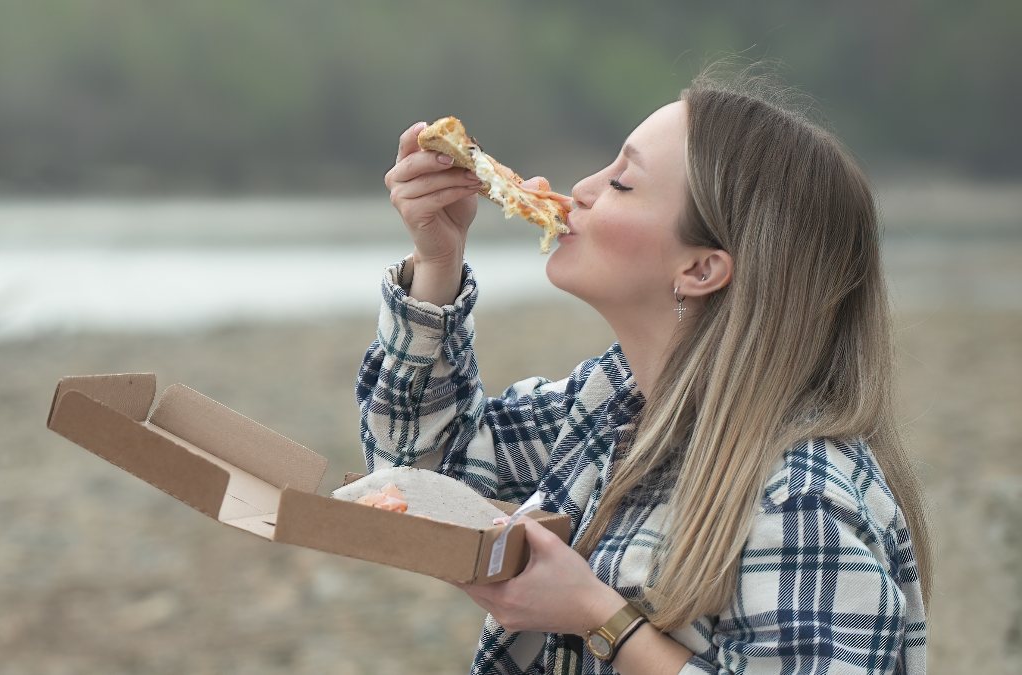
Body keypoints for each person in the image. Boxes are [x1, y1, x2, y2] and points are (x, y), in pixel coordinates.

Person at [359, 65, 930, 675]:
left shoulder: (803, 500)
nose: (578, 188)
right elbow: (422, 477)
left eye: (622, 183)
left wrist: (597, 617)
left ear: (702, 270)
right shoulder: (611, 406)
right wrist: (437, 261)